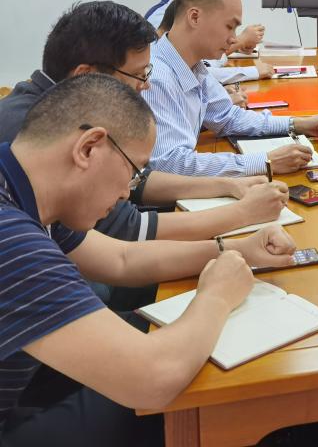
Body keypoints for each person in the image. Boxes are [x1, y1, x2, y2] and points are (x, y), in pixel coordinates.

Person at [0, 73, 299, 444]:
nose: (127, 193)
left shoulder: (22, 184)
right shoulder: (11, 237)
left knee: (165, 333)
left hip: (21, 383)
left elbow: (121, 258)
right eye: (133, 171)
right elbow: (153, 378)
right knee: (189, 395)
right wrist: (217, 296)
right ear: (89, 148)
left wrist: (236, 250)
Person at [0, 1, 288, 243]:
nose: (146, 85)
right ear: (86, 76)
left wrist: (227, 185)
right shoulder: (32, 132)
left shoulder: (61, 109)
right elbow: (124, 229)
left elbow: (139, 181)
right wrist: (243, 214)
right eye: (138, 75)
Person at [143, 0, 318, 176]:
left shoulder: (194, 67)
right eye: (229, 27)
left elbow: (228, 117)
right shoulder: (156, 77)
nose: (233, 39)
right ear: (194, 17)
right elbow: (170, 164)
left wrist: (299, 124)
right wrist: (266, 162)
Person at [145, 0, 272, 85]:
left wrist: (238, 46)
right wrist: (242, 42)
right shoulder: (163, 19)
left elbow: (204, 68)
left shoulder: (196, 66)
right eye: (229, 26)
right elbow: (199, 71)